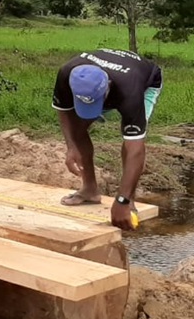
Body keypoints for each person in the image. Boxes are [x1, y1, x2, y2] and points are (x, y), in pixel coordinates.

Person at [52, 49, 163, 230]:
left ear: (108, 87)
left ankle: (129, 199)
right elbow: (64, 111)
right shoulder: (67, 73)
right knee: (77, 130)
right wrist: (71, 147)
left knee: (130, 142)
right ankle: (90, 190)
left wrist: (122, 200)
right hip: (108, 82)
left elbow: (136, 149)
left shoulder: (131, 90)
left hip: (144, 82)